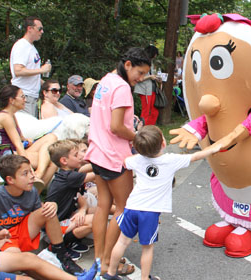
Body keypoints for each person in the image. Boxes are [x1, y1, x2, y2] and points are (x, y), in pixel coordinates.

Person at [103, 126, 221, 280]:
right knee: (147, 247)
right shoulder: (171, 160)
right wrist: (214, 148)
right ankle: (145, 278)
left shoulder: (136, 160)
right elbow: (196, 156)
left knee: (122, 242)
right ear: (163, 143)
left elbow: (124, 162)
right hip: (149, 213)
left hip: (131, 207)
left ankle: (110, 273)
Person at [84, 47, 151, 276]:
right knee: (123, 208)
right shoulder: (122, 88)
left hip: (96, 153)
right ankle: (107, 261)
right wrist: (141, 137)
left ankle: (98, 259)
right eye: (139, 73)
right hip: (114, 156)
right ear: (128, 64)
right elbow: (116, 126)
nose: (140, 79)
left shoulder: (106, 80)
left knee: (104, 205)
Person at [0, 155, 86, 275]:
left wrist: (53, 205)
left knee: (48, 210)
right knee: (19, 258)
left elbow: (40, 213)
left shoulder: (31, 192)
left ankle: (62, 255)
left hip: (21, 231)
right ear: (10, 180)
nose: (32, 176)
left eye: (31, 171)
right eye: (25, 173)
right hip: (2, 238)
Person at [0, 84, 57, 191]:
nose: (25, 100)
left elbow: (21, 139)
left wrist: (29, 142)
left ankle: (37, 178)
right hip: (4, 157)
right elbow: (17, 144)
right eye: (22, 97)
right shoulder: (5, 117)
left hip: (13, 151)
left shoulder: (12, 115)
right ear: (11, 100)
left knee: (51, 137)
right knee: (52, 161)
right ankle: (35, 182)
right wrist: (29, 168)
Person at [46, 140, 96, 261]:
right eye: (75, 155)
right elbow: (96, 173)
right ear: (64, 161)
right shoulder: (69, 177)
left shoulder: (69, 173)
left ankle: (73, 241)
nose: (80, 156)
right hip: (55, 227)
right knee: (96, 219)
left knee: (97, 212)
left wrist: (82, 210)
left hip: (66, 218)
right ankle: (59, 245)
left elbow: (80, 198)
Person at [10, 16, 51, 117]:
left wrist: (48, 86)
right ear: (29, 28)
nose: (42, 32)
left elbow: (32, 75)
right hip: (23, 96)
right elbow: (18, 71)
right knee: (25, 130)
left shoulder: (31, 47)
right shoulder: (21, 46)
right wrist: (41, 70)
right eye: (39, 29)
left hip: (32, 98)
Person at [133, 45, 160, 125]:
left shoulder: (150, 62)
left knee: (154, 109)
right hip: (144, 89)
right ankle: (143, 127)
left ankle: (151, 126)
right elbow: (139, 78)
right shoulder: (142, 62)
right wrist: (150, 77)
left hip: (152, 88)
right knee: (146, 110)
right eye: (155, 54)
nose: (155, 56)